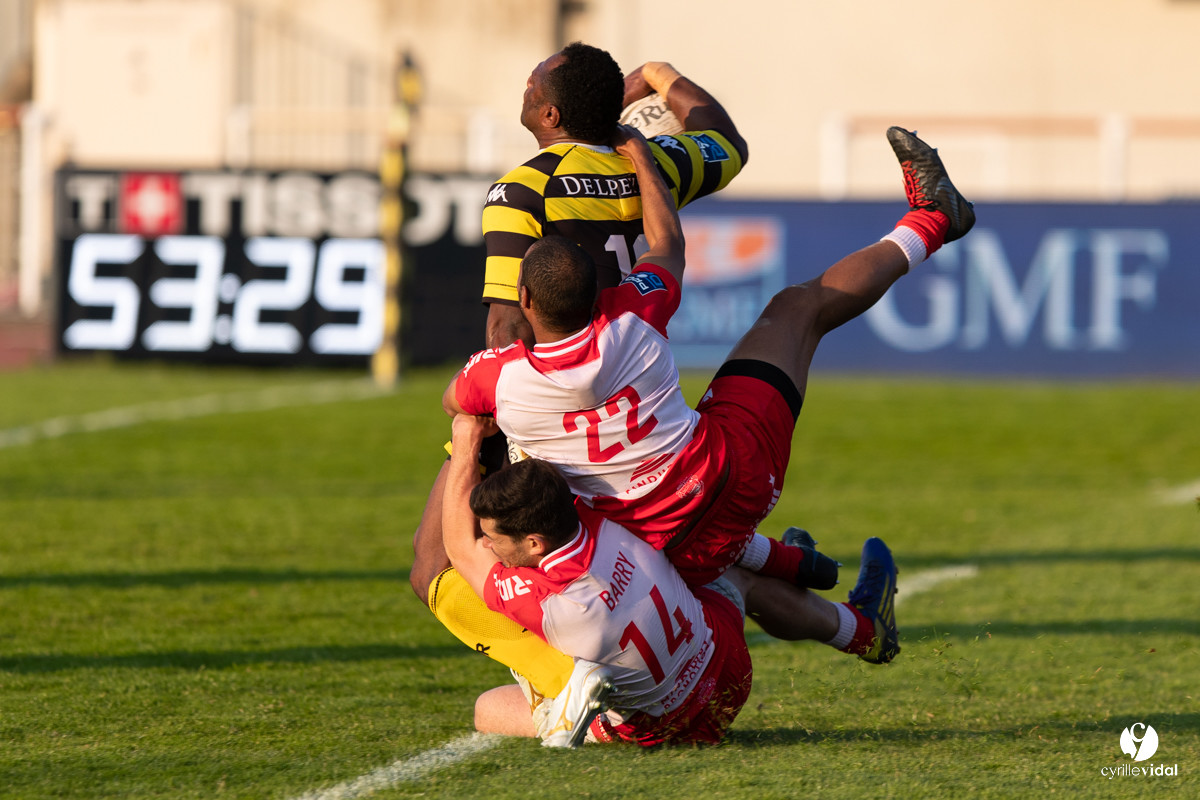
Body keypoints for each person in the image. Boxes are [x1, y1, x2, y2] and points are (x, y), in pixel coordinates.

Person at [445, 122, 976, 669]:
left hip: (656, 541)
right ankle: (933, 218)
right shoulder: (632, 315)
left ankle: (815, 586)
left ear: (524, 295)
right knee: (801, 308)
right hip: (734, 476)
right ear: (598, 294)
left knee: (725, 573)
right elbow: (668, 243)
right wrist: (641, 156)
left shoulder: (497, 378)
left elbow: (456, 400)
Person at [409, 44, 765, 698]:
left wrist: (488, 422)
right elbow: (726, 140)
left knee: (436, 565)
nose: (525, 80)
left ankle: (566, 684)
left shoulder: (524, 187)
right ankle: (838, 616)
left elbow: (506, 327)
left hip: (542, 406)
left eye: (534, 79)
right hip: (637, 401)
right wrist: (659, 78)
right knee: (650, 560)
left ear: (548, 111)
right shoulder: (653, 162)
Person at [442, 413, 753, 747]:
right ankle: (793, 578)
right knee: (723, 567)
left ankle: (570, 697)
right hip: (731, 669)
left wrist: (464, 438)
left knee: (486, 709)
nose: (488, 544)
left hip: (669, 730)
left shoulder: (546, 602)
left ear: (535, 543)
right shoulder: (609, 512)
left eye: (495, 538)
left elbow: (461, 549)